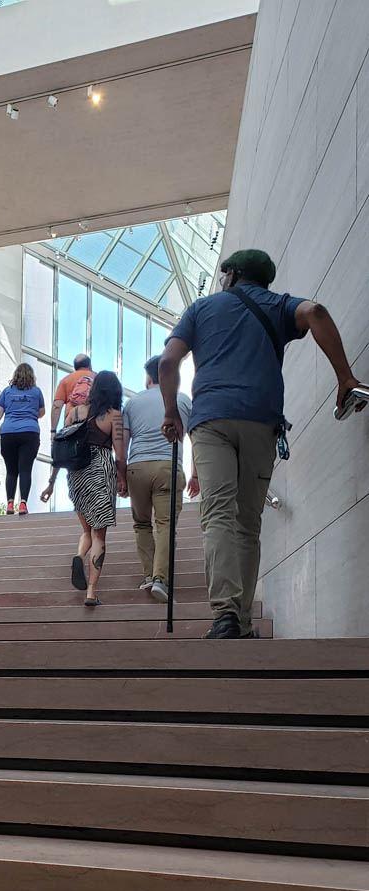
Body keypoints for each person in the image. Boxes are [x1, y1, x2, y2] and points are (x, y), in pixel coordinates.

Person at [159, 248, 367, 638]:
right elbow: (316, 312)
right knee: (247, 522)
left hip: (212, 420)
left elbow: (168, 363)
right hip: (261, 420)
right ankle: (242, 620)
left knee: (217, 514)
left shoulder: (201, 309)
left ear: (233, 274)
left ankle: (225, 616)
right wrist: (345, 377)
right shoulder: (277, 305)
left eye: (225, 274)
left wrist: (171, 413)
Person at [41, 371, 127, 606]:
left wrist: (51, 483)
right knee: (99, 535)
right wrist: (122, 480)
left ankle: (79, 555)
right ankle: (91, 591)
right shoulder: (114, 416)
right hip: (100, 470)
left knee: (87, 530)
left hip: (76, 473)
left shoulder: (74, 413)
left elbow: (61, 448)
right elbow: (120, 455)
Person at [124, 355, 191, 602]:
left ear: (148, 377)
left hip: (137, 467)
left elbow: (123, 443)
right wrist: (195, 474)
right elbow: (196, 437)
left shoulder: (132, 403)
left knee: (142, 524)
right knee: (166, 524)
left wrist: (122, 476)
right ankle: (161, 579)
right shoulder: (182, 400)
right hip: (168, 466)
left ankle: (150, 575)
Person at [0, 362, 45, 515]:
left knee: (11, 470)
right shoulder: (36, 392)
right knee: (25, 469)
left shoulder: (7, 392)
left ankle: (10, 504)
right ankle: (23, 504)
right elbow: (41, 413)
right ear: (32, 376)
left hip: (8, 434)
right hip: (30, 433)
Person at [50, 355, 96, 444]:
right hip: (93, 423)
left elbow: (57, 406)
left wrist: (53, 431)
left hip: (71, 424)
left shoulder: (65, 380)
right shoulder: (97, 379)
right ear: (89, 365)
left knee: (72, 450)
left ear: (75, 367)